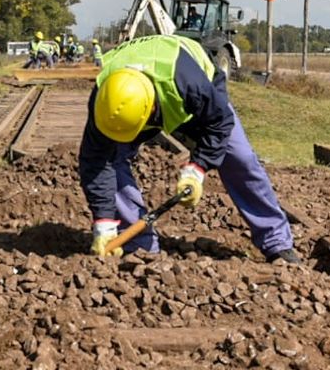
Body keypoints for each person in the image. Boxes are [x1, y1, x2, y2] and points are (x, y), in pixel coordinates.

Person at [78, 33, 299, 263]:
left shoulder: (189, 84)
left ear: (151, 110)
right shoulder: (105, 101)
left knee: (239, 157)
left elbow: (220, 123)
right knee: (110, 158)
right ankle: (140, 246)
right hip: (139, 100)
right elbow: (95, 161)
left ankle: (276, 241)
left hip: (194, 93)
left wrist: (196, 170)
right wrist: (103, 223)